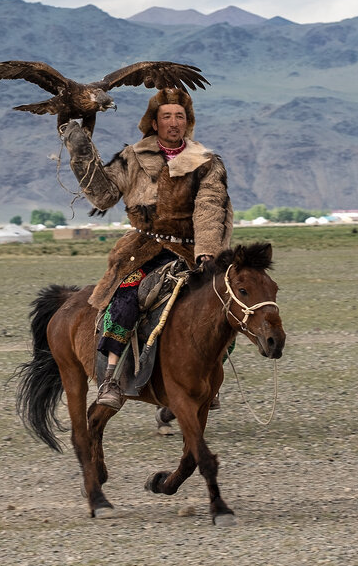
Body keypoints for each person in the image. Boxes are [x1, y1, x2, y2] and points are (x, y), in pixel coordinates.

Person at [60, 87, 233, 411]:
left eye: (179, 116)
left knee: (224, 307)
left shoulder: (206, 163)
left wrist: (208, 252)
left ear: (188, 121)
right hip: (145, 249)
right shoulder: (133, 158)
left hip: (194, 250)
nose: (173, 122)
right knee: (126, 299)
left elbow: (210, 207)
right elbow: (104, 195)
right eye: (166, 116)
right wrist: (80, 152)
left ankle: (204, 379)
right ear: (154, 122)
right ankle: (111, 378)